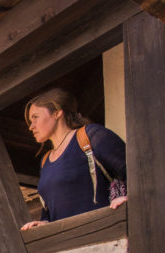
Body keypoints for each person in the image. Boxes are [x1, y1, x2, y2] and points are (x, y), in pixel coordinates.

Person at [21, 88, 127, 231]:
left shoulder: (91, 136)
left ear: (57, 113)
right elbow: (49, 208)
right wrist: (44, 222)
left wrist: (130, 197)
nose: (31, 126)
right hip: (67, 241)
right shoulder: (45, 161)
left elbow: (133, 169)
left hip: (103, 233)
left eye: (35, 117)